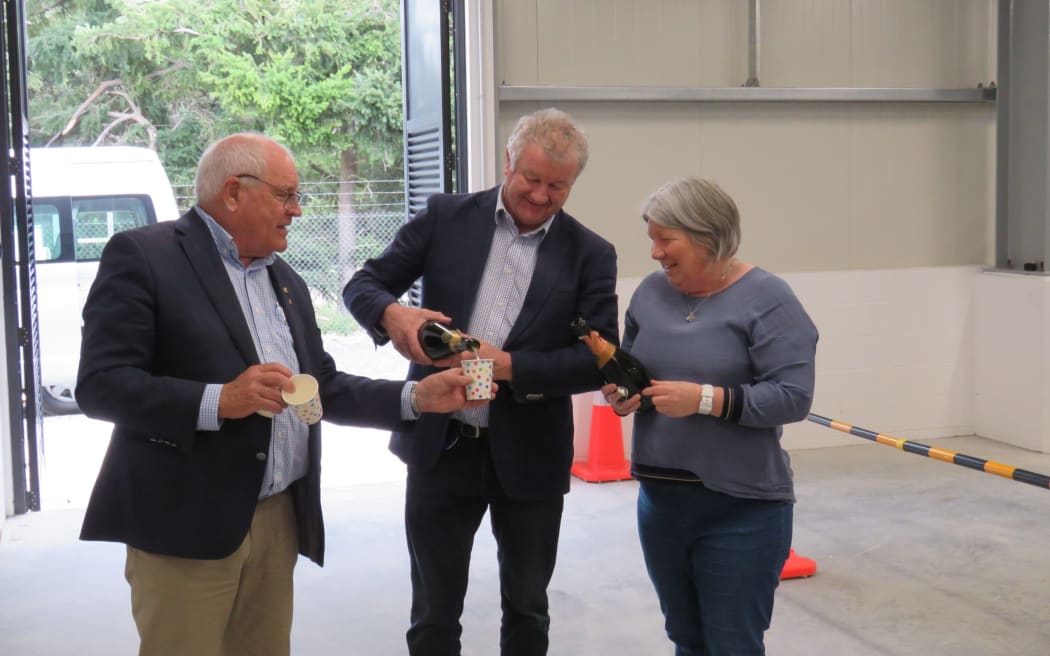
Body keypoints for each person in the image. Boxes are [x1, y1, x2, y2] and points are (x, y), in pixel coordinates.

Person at [75, 132, 489, 656]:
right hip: (186, 520)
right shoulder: (145, 256)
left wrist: (416, 399)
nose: (296, 211)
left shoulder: (284, 279)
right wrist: (219, 400)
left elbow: (323, 385)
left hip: (277, 519)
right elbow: (101, 384)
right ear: (232, 192)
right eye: (285, 195)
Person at [343, 107, 618, 655]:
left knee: (527, 607)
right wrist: (394, 316)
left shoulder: (590, 254)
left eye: (557, 187)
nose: (540, 196)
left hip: (531, 457)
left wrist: (507, 365)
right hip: (442, 448)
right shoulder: (447, 218)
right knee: (434, 612)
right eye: (531, 180)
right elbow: (364, 283)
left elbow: (597, 360)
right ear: (509, 161)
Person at [605, 177, 818, 656]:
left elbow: (793, 397)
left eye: (666, 240)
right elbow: (633, 367)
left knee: (731, 646)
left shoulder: (769, 299)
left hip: (739, 509)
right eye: (652, 240)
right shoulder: (650, 295)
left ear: (706, 237)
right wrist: (623, 393)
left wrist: (706, 399)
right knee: (687, 640)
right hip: (661, 506)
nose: (656, 253)